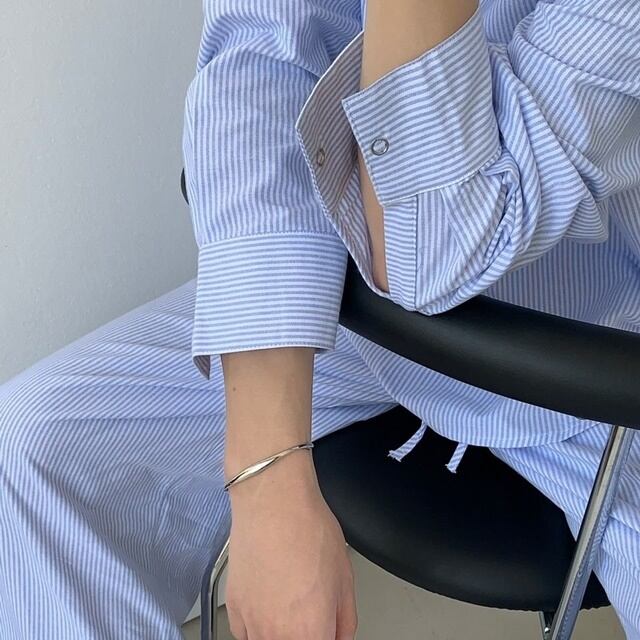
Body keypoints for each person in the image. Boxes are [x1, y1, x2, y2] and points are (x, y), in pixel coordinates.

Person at [1, 0, 639, 638]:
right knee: (35, 452)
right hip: (372, 319)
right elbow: (262, 57)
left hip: (601, 360)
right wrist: (267, 474)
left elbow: (431, 249)